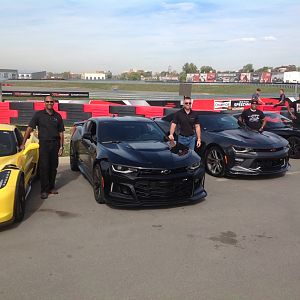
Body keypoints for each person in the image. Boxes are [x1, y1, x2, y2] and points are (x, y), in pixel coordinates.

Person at [21, 96, 65, 199]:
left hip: (55, 144)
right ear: (44, 103)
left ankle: (51, 187)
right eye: (47, 101)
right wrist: (23, 143)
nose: (49, 103)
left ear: (53, 103)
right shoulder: (38, 115)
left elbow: (61, 133)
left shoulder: (57, 116)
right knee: (44, 167)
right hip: (44, 144)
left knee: (53, 167)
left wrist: (62, 147)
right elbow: (29, 128)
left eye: (51, 101)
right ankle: (44, 190)